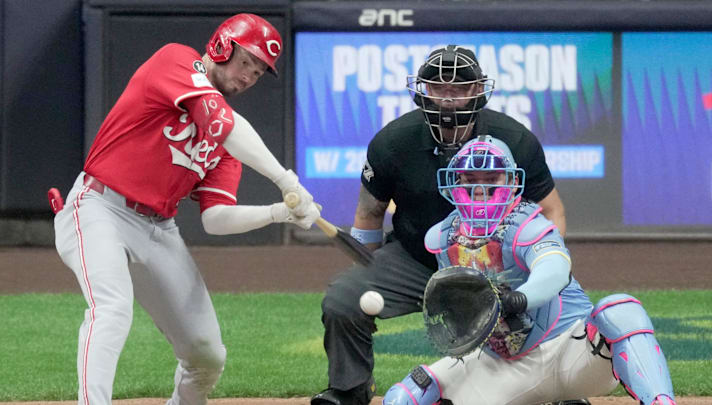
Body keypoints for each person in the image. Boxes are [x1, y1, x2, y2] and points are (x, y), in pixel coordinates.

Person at [53, 14, 320, 405]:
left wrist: (279, 212)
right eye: (246, 61)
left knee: (207, 354)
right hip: (98, 207)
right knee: (112, 306)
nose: (249, 75)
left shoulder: (228, 144)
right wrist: (286, 180)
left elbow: (215, 219)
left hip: (158, 228)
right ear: (222, 45)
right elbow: (222, 122)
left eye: (259, 71)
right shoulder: (175, 60)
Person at [311, 45, 572, 405]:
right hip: (417, 258)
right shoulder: (393, 142)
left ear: (479, 90)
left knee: (554, 301)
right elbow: (370, 213)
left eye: (459, 88)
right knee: (344, 298)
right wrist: (365, 275)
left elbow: (550, 210)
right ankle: (350, 389)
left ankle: (559, 389)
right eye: (437, 87)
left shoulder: (514, 139)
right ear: (422, 91)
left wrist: (537, 265)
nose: (448, 99)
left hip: (496, 264)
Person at [382, 136, 676, 405]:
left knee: (620, 310)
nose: (480, 190)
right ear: (455, 184)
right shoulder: (441, 239)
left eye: (491, 180)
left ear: (510, 181)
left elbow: (555, 269)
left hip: (568, 350)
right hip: (503, 364)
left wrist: (517, 299)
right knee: (405, 395)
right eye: (470, 180)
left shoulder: (527, 225)